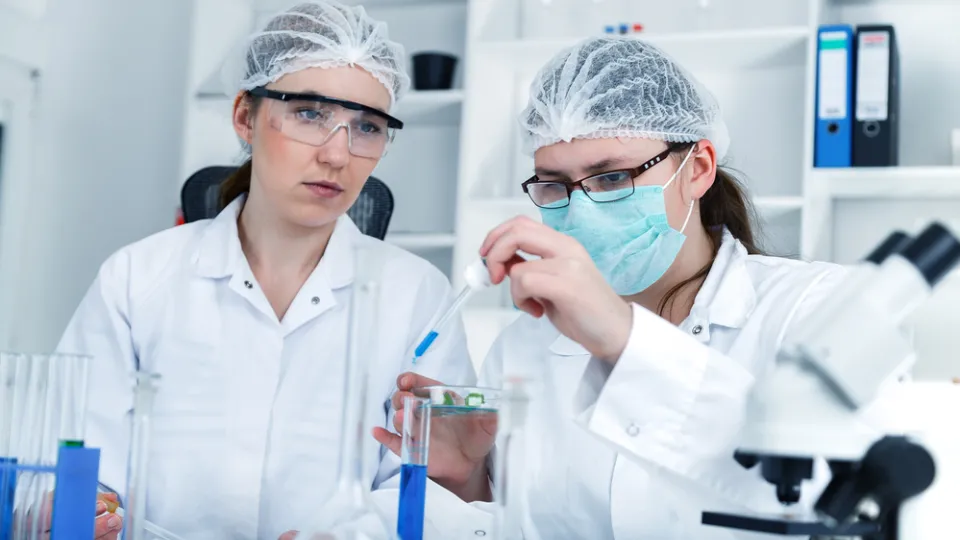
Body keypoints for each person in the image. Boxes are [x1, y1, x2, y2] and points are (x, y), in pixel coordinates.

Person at [376, 36, 850, 538]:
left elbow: (827, 502)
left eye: (611, 178)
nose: (579, 209)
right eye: (554, 184)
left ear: (700, 168)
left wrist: (624, 340)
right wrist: (471, 477)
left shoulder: (815, 310)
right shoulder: (523, 346)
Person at [56, 2, 475, 539]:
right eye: (309, 113)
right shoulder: (137, 277)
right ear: (244, 117)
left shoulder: (418, 295)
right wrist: (88, 507)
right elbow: (76, 455)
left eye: (367, 126)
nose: (336, 155)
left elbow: (435, 482)